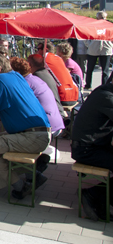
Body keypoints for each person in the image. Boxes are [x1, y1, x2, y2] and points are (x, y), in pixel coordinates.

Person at [0, 54, 51, 199]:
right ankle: (33, 174)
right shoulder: (17, 76)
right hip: (41, 133)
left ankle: (20, 186)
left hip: (31, 137)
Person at [71, 81, 113, 221]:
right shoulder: (106, 96)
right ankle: (93, 195)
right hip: (86, 150)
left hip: (92, 146)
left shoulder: (104, 91)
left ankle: (102, 200)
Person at [37, 42, 79, 107]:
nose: (37, 51)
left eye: (38, 49)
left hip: (62, 97)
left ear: (45, 49)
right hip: (74, 94)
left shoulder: (44, 60)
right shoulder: (58, 59)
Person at [28, 54, 65, 119]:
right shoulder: (46, 73)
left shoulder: (36, 78)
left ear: (30, 65)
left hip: (52, 115)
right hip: (58, 111)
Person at [84, 12, 113, 90]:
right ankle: (88, 85)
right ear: (97, 18)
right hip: (93, 49)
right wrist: (89, 45)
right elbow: (86, 36)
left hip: (106, 50)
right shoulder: (92, 26)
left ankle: (104, 86)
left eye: (104, 17)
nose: (102, 19)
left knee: (105, 71)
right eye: (101, 17)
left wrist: (111, 45)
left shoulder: (110, 26)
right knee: (90, 69)